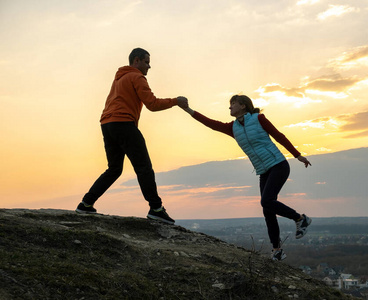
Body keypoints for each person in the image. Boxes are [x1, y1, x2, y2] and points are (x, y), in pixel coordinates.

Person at [181, 95, 312, 260]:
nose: (230, 108)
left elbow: (278, 135)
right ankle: (277, 249)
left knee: (266, 201)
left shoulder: (259, 118)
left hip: (278, 165)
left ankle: (300, 219)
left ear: (243, 106)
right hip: (263, 171)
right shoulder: (233, 128)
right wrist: (187, 110)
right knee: (267, 210)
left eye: (232, 104)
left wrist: (297, 155)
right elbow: (211, 124)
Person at [76, 48, 187, 225]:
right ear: (136, 61)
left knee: (114, 169)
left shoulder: (119, 79)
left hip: (107, 124)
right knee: (143, 167)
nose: (149, 66)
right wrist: (176, 101)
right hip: (123, 124)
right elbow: (152, 104)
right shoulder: (137, 77)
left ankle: (86, 203)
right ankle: (156, 209)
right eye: (147, 62)